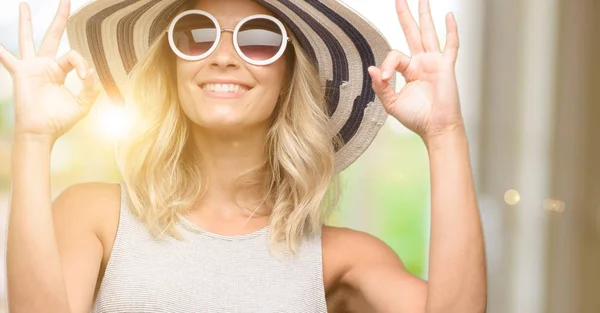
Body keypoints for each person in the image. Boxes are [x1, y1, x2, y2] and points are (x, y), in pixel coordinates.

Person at [2, 0, 487, 312]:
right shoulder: (94, 214)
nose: (224, 56)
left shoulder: (342, 257)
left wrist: (445, 134)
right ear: (173, 69)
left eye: (260, 38)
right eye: (196, 34)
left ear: (289, 77)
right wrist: (32, 138)